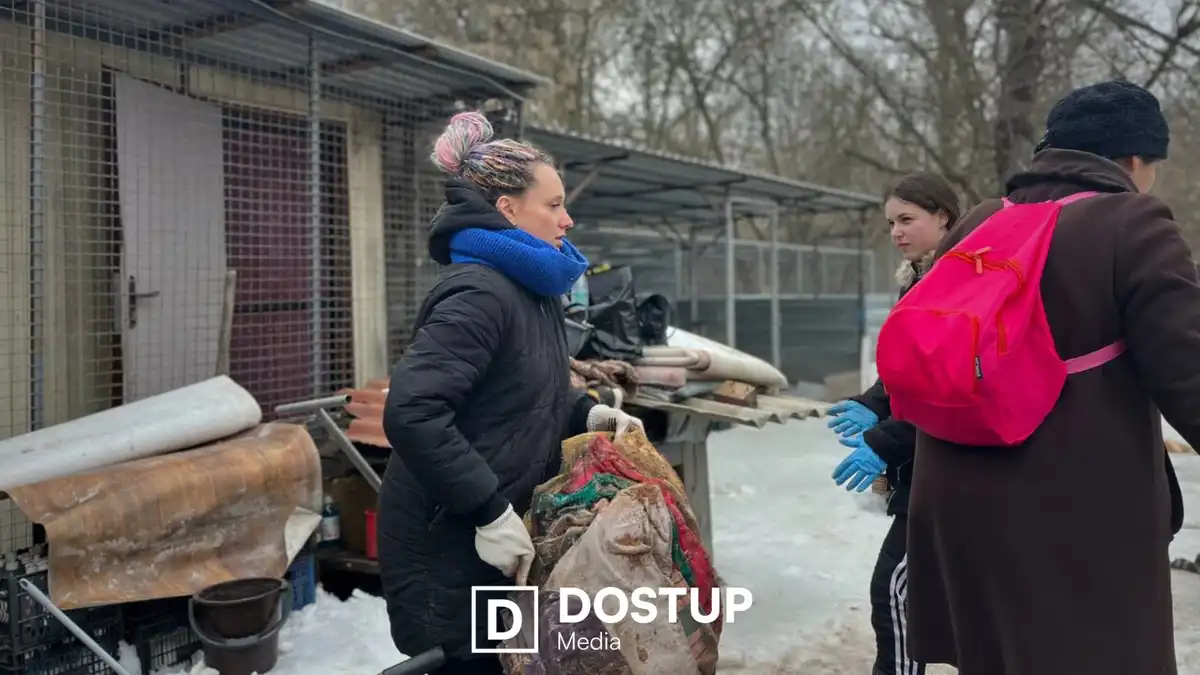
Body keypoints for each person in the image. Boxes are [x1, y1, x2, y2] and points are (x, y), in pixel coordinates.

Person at [903, 80, 1189, 674]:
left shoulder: (983, 219)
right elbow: (1187, 368)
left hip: (959, 499)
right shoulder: (1132, 221)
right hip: (1068, 507)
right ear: (1135, 160)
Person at [377, 111, 645, 675]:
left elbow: (525, 391)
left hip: (492, 535)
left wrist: (588, 412)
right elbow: (413, 412)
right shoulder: (479, 293)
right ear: (507, 209)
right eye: (552, 205)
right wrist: (487, 510)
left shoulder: (531, 290)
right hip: (446, 545)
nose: (567, 218)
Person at [826, 172, 960, 675]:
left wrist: (886, 440)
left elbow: (948, 388)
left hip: (947, 471)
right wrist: (873, 402)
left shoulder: (958, 282)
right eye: (890, 223)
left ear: (943, 215)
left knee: (894, 593)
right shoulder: (921, 277)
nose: (896, 232)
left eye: (907, 219)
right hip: (927, 466)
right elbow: (907, 371)